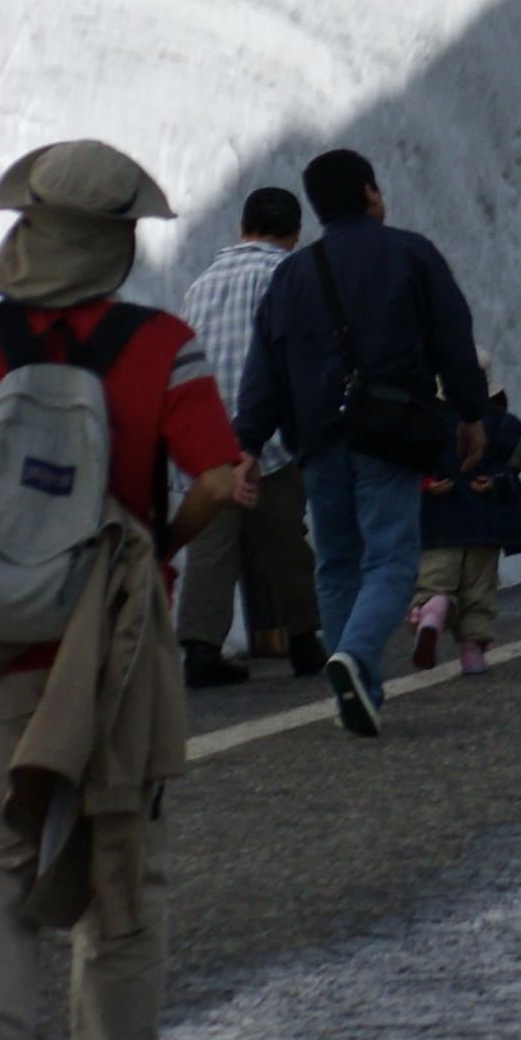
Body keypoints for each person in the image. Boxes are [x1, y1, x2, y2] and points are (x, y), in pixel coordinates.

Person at [0, 142, 244, 1040]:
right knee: (122, 861)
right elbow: (224, 479)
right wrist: (156, 549)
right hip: (119, 642)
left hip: (1, 636)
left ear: (26, 225)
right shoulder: (163, 344)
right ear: (116, 238)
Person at [235, 147, 489, 741]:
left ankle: (360, 689)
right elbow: (453, 334)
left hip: (319, 439)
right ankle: (353, 655)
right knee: (394, 561)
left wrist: (247, 441)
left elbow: (264, 368)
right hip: (390, 431)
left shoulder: (292, 274)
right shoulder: (409, 253)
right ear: (371, 193)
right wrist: (471, 411)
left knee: (337, 561)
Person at [175, 185, 319, 689]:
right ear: (296, 235)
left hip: (208, 437)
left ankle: (199, 649)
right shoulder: (289, 275)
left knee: (212, 545)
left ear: (241, 228)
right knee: (286, 542)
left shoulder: (201, 284)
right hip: (270, 436)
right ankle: (305, 642)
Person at [409, 370, 521, 677]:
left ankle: (432, 611)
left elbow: (407, 458)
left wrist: (426, 483)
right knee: (478, 591)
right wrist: (499, 480)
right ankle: (472, 653)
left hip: (439, 522)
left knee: (435, 580)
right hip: (486, 523)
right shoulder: (502, 423)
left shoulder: (427, 421)